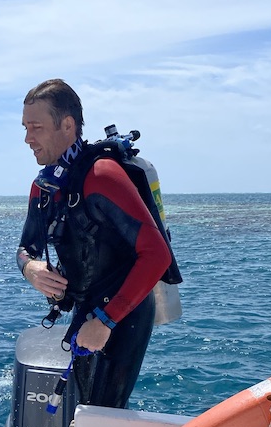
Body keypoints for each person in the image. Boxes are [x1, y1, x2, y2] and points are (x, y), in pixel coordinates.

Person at [17, 78, 174, 409]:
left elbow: (156, 255)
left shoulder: (102, 176)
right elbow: (25, 249)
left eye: (36, 127)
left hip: (122, 313)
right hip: (87, 309)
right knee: (86, 412)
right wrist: (31, 269)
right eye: (25, 127)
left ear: (67, 125)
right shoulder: (44, 186)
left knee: (105, 413)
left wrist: (106, 321)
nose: (28, 138)